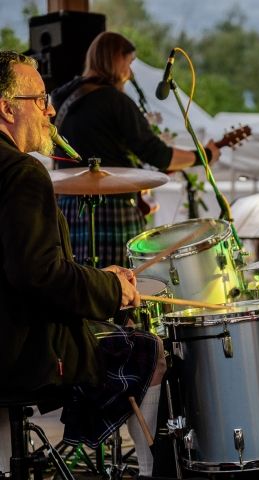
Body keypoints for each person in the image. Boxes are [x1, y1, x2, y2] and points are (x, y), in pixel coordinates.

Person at [0, 51, 165, 477]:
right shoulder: (21, 172)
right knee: (148, 349)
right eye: (40, 100)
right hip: (19, 353)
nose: (51, 110)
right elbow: (40, 274)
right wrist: (114, 289)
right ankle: (154, 471)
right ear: (6, 108)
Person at [51, 31, 220, 268]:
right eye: (128, 63)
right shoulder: (114, 101)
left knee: (79, 279)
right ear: (115, 59)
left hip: (67, 208)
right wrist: (205, 155)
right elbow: (156, 154)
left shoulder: (60, 98)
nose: (130, 74)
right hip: (111, 208)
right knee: (120, 285)